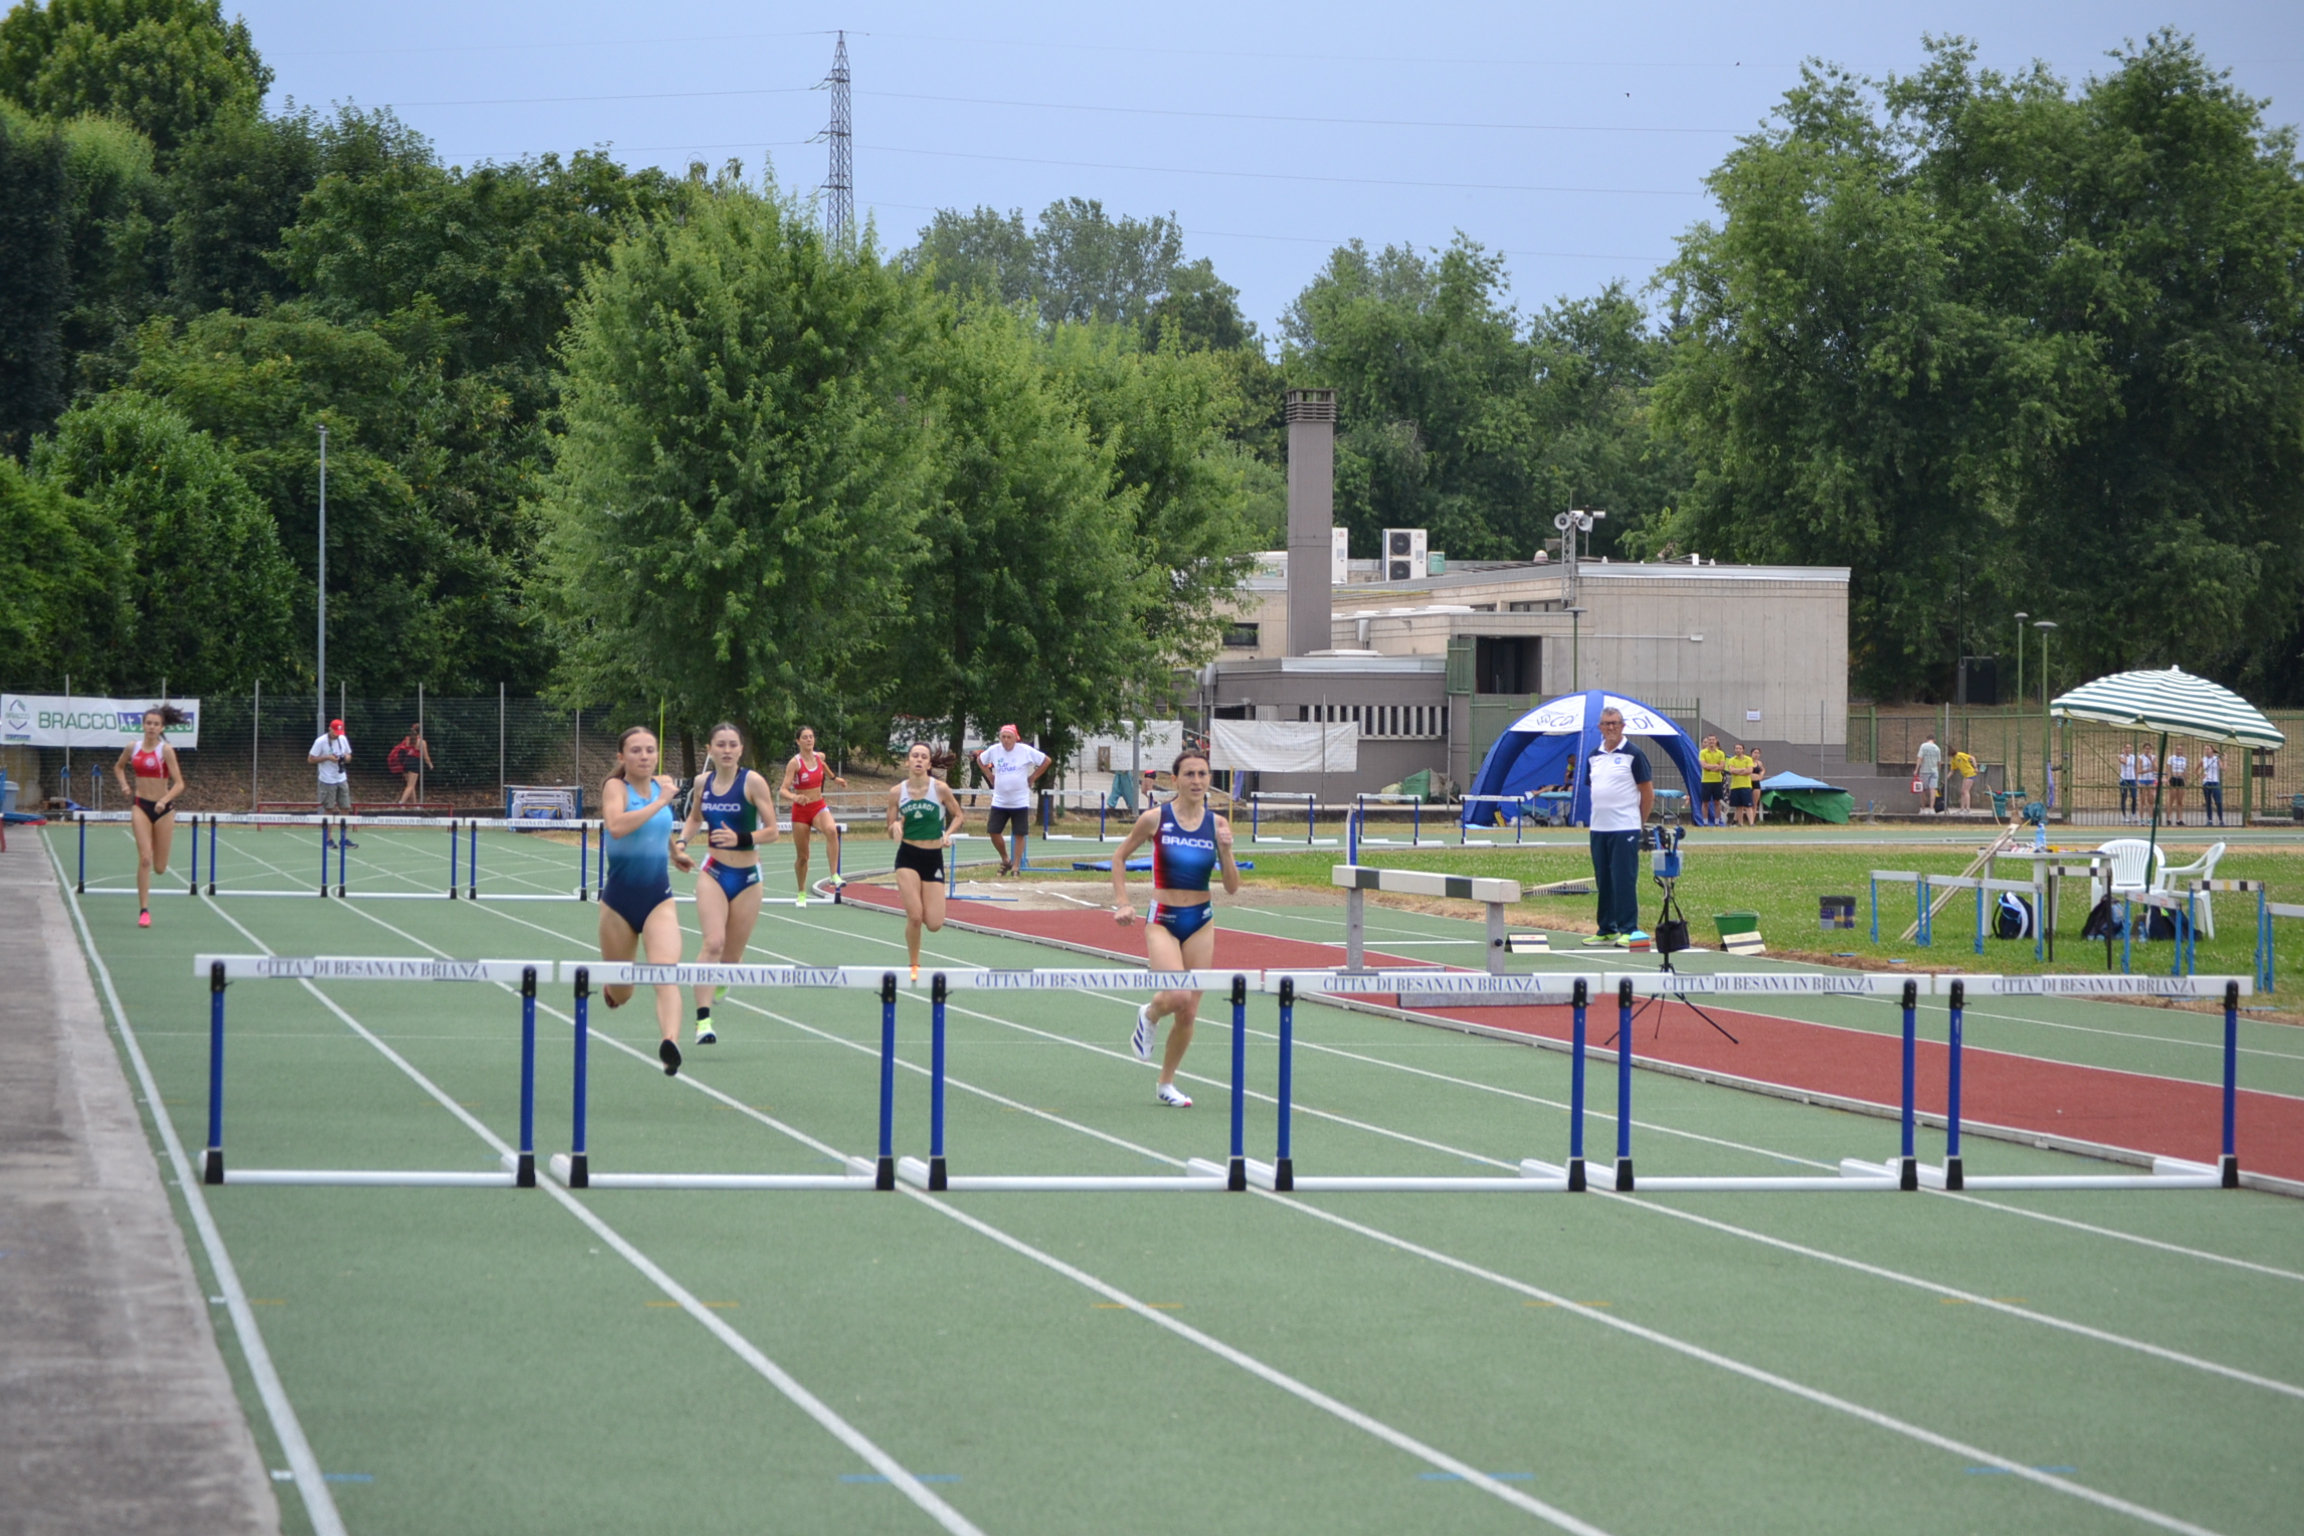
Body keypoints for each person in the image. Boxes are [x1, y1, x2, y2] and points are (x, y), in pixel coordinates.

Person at [1111, 749, 1241, 1106]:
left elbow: (1232, 887)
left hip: (1200, 921)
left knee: (1189, 1011)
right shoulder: (1155, 818)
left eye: (1202, 774)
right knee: (1178, 995)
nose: (1197, 781)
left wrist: (1227, 852)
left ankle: (1166, 1083)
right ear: (1175, 779)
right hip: (1163, 920)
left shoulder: (1217, 824)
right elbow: (1119, 857)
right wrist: (1123, 902)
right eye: (1189, 774)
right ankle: (1150, 1013)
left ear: (1209, 779)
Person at [675, 722, 781, 1046]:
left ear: (741, 749)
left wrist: (741, 838)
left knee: (731, 958)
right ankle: (703, 1021)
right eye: (720, 744)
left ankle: (725, 974)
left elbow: (773, 831)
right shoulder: (702, 782)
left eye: (733, 744)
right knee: (713, 944)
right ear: (709, 749)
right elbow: (695, 818)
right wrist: (681, 842)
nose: (727, 750)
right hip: (714, 872)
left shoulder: (753, 782)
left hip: (748, 878)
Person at [597, 726, 694, 1075]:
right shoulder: (615, 787)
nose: (644, 756)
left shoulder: (661, 785)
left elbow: (659, 825)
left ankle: (670, 1042)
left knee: (665, 973)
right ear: (622, 757)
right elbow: (617, 827)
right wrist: (660, 801)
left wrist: (674, 852)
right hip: (618, 903)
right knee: (623, 992)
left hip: (657, 899)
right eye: (636, 750)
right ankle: (613, 990)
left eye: (650, 750)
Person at [886, 743, 965, 978]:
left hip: (933, 858)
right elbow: (890, 828)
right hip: (908, 857)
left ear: (929, 763)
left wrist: (947, 834)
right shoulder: (896, 792)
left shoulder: (940, 789)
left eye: (923, 757)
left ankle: (922, 897)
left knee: (934, 923)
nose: (919, 760)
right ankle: (914, 964)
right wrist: (895, 826)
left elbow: (958, 816)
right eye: (915, 756)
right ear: (907, 761)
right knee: (915, 916)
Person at [1583, 709, 1655, 946]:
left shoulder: (1634, 754)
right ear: (1600, 727)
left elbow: (1647, 793)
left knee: (1623, 878)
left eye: (1615, 723)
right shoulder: (1594, 756)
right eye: (1606, 724)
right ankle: (1607, 928)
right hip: (1599, 827)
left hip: (1625, 827)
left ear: (1623, 726)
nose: (1611, 728)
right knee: (1603, 878)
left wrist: (1638, 823)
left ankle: (1629, 929)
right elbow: (1595, 788)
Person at [113, 705, 187, 928]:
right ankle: (144, 911)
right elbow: (118, 767)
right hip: (141, 807)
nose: (152, 727)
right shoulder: (132, 747)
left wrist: (164, 800)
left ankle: (157, 844)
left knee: (160, 868)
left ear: (162, 727)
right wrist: (125, 785)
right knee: (145, 858)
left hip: (163, 810)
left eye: (156, 724)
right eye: (148, 723)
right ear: (143, 725)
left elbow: (180, 784)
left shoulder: (166, 750)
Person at [778, 726, 848, 907]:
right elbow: (782, 790)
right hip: (801, 811)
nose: (809, 739)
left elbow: (823, 766)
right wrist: (795, 797)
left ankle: (834, 875)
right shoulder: (795, 763)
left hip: (818, 806)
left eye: (811, 736)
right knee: (803, 857)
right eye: (805, 737)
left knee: (832, 830)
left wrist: (834, 778)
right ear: (798, 741)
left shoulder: (819, 757)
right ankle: (801, 892)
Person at [976, 723, 1051, 875]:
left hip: (1019, 801)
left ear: (1016, 738)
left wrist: (1033, 777)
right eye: (1003, 737)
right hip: (1000, 800)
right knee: (993, 831)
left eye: (1009, 737)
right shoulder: (994, 750)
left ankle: (1016, 866)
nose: (1006, 740)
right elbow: (980, 760)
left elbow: (1046, 760)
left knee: (1019, 834)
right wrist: (989, 775)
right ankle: (1005, 859)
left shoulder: (1025, 750)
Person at [308, 717, 356, 847]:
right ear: (330, 729)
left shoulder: (342, 739)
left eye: (339, 732)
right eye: (335, 732)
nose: (337, 735)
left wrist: (344, 758)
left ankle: (344, 838)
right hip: (327, 779)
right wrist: (327, 758)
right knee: (329, 808)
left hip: (341, 777)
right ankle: (328, 838)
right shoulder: (320, 741)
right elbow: (310, 759)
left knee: (345, 807)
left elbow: (349, 756)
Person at [387, 725, 433, 807]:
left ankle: (415, 805)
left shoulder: (408, 739)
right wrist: (430, 765)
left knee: (411, 785)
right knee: (410, 786)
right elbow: (426, 757)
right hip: (414, 763)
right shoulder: (422, 742)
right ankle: (401, 803)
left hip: (405, 763)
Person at [1724, 743, 1756, 827]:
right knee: (1738, 806)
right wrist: (1742, 769)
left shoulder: (1748, 759)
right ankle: (1740, 823)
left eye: (1740, 748)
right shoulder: (1732, 760)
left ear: (1743, 750)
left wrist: (1737, 771)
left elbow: (1749, 771)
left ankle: (1751, 823)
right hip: (1735, 786)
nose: (1738, 750)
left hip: (1746, 785)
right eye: (1736, 748)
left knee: (1748, 805)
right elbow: (1731, 771)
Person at [1697, 735, 1726, 824]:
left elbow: (1722, 766)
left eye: (1713, 740)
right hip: (1706, 781)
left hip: (1717, 780)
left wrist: (1710, 767)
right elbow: (1704, 765)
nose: (1711, 741)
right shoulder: (1703, 752)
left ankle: (1717, 822)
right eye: (1709, 740)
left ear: (1716, 741)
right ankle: (1705, 822)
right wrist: (1715, 766)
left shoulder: (1721, 753)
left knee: (1717, 802)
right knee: (1705, 802)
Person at [1914, 734, 1941, 815]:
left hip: (1924, 771)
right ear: (1934, 740)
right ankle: (1931, 809)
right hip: (1934, 771)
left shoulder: (1923, 746)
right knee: (1933, 790)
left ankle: (1923, 809)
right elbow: (1939, 762)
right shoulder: (1937, 748)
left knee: (1923, 790)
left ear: (1927, 739)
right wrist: (1938, 769)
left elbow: (1920, 758)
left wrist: (1916, 769)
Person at [1948, 747, 1979, 812]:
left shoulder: (1960, 755)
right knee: (1962, 792)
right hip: (1965, 775)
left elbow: (1972, 758)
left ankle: (1968, 809)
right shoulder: (1953, 760)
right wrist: (1946, 779)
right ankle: (1962, 809)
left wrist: (1975, 767)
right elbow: (1951, 771)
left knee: (1966, 791)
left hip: (1970, 773)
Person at [2201, 747, 2225, 827]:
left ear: (2212, 750)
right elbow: (2196, 769)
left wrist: (2225, 759)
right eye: (2205, 749)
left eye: (2208, 749)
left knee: (2218, 802)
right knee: (2208, 802)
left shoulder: (2216, 759)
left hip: (2215, 782)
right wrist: (2201, 776)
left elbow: (2223, 768)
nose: (2206, 750)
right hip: (2206, 782)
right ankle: (2209, 820)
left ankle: (2221, 820)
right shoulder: (2203, 759)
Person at [2165, 746, 2188, 826]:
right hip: (2174, 779)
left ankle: (2179, 819)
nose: (2179, 751)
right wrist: (2167, 779)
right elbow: (2168, 769)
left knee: (2180, 801)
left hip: (2181, 779)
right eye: (2177, 749)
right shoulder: (2171, 758)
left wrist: (2186, 781)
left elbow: (2185, 771)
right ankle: (2168, 819)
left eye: (2180, 749)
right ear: (2175, 750)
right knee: (2171, 800)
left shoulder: (2184, 759)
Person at [2136, 747, 2159, 825]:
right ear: (2144, 749)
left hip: (2151, 780)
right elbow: (2139, 771)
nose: (2147, 750)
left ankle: (2150, 819)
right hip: (2143, 780)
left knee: (2151, 800)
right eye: (2146, 748)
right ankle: (2141, 819)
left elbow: (2156, 769)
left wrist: (2151, 761)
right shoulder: (2140, 758)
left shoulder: (2153, 757)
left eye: (2149, 749)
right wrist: (2148, 770)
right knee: (2142, 800)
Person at [2118, 748, 2138, 823]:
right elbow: (2125, 762)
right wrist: (2125, 755)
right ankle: (2124, 816)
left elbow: (2135, 768)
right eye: (2127, 748)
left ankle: (2133, 815)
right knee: (2124, 797)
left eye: (2129, 748)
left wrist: (2136, 779)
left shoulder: (2133, 757)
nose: (2128, 749)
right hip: (2124, 779)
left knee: (2134, 797)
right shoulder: (2120, 756)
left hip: (2132, 779)